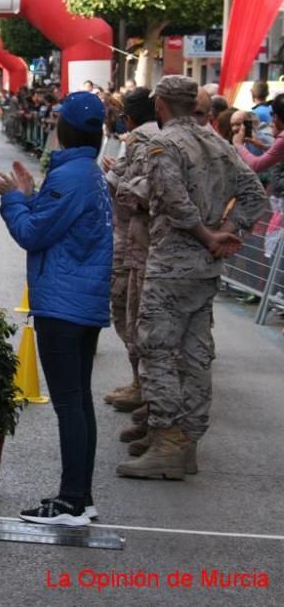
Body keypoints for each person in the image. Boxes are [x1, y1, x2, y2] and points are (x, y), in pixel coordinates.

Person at [116, 76, 266, 480]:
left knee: (158, 350)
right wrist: (228, 229)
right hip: (205, 268)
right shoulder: (218, 143)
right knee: (196, 354)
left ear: (161, 105)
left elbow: (172, 200)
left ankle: (167, 439)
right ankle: (187, 440)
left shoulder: (165, 145)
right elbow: (255, 195)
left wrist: (207, 232)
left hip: (171, 264)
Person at [0, 91, 113, 526]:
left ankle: (73, 500)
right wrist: (30, 192)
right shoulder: (86, 173)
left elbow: (33, 233)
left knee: (70, 405)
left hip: (63, 304)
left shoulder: (72, 176)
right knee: (79, 403)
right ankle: (81, 497)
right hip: (82, 301)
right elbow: (58, 222)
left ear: (63, 128)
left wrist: (12, 198)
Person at [102, 88, 161, 420]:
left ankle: (146, 389)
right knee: (134, 314)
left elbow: (135, 190)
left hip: (133, 241)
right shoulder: (158, 136)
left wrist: (118, 177)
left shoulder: (140, 138)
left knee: (128, 311)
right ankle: (141, 385)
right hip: (142, 241)